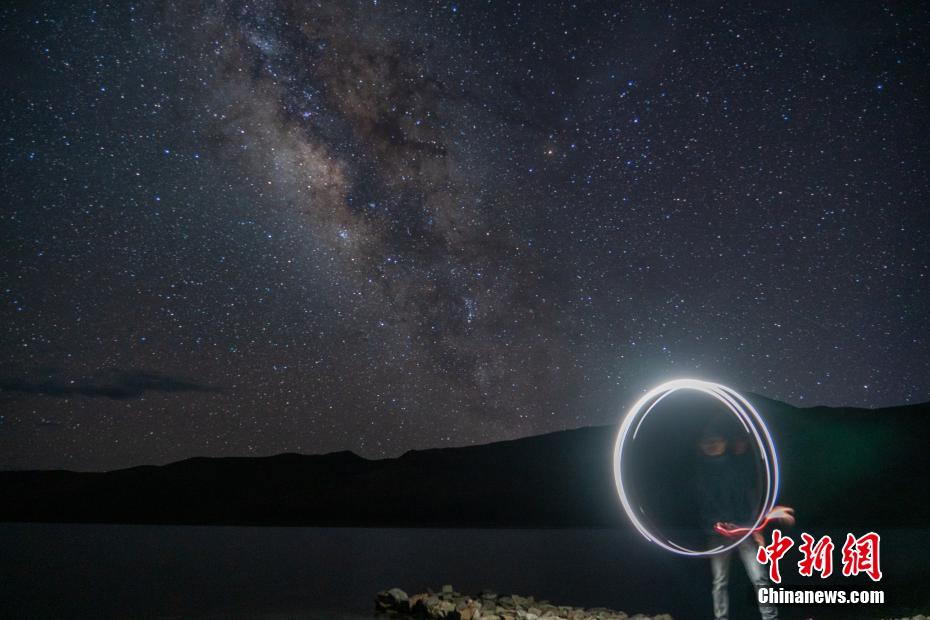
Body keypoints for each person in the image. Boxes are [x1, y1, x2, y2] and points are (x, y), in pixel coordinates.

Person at [696, 422, 777, 620]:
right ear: (700, 445)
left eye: (716, 441)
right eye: (708, 442)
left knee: (759, 577)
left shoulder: (738, 466)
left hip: (743, 530)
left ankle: (770, 618)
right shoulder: (700, 472)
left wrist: (751, 526)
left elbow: (749, 498)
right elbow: (703, 504)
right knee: (720, 580)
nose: (712, 445)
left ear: (725, 442)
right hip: (717, 533)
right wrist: (717, 524)